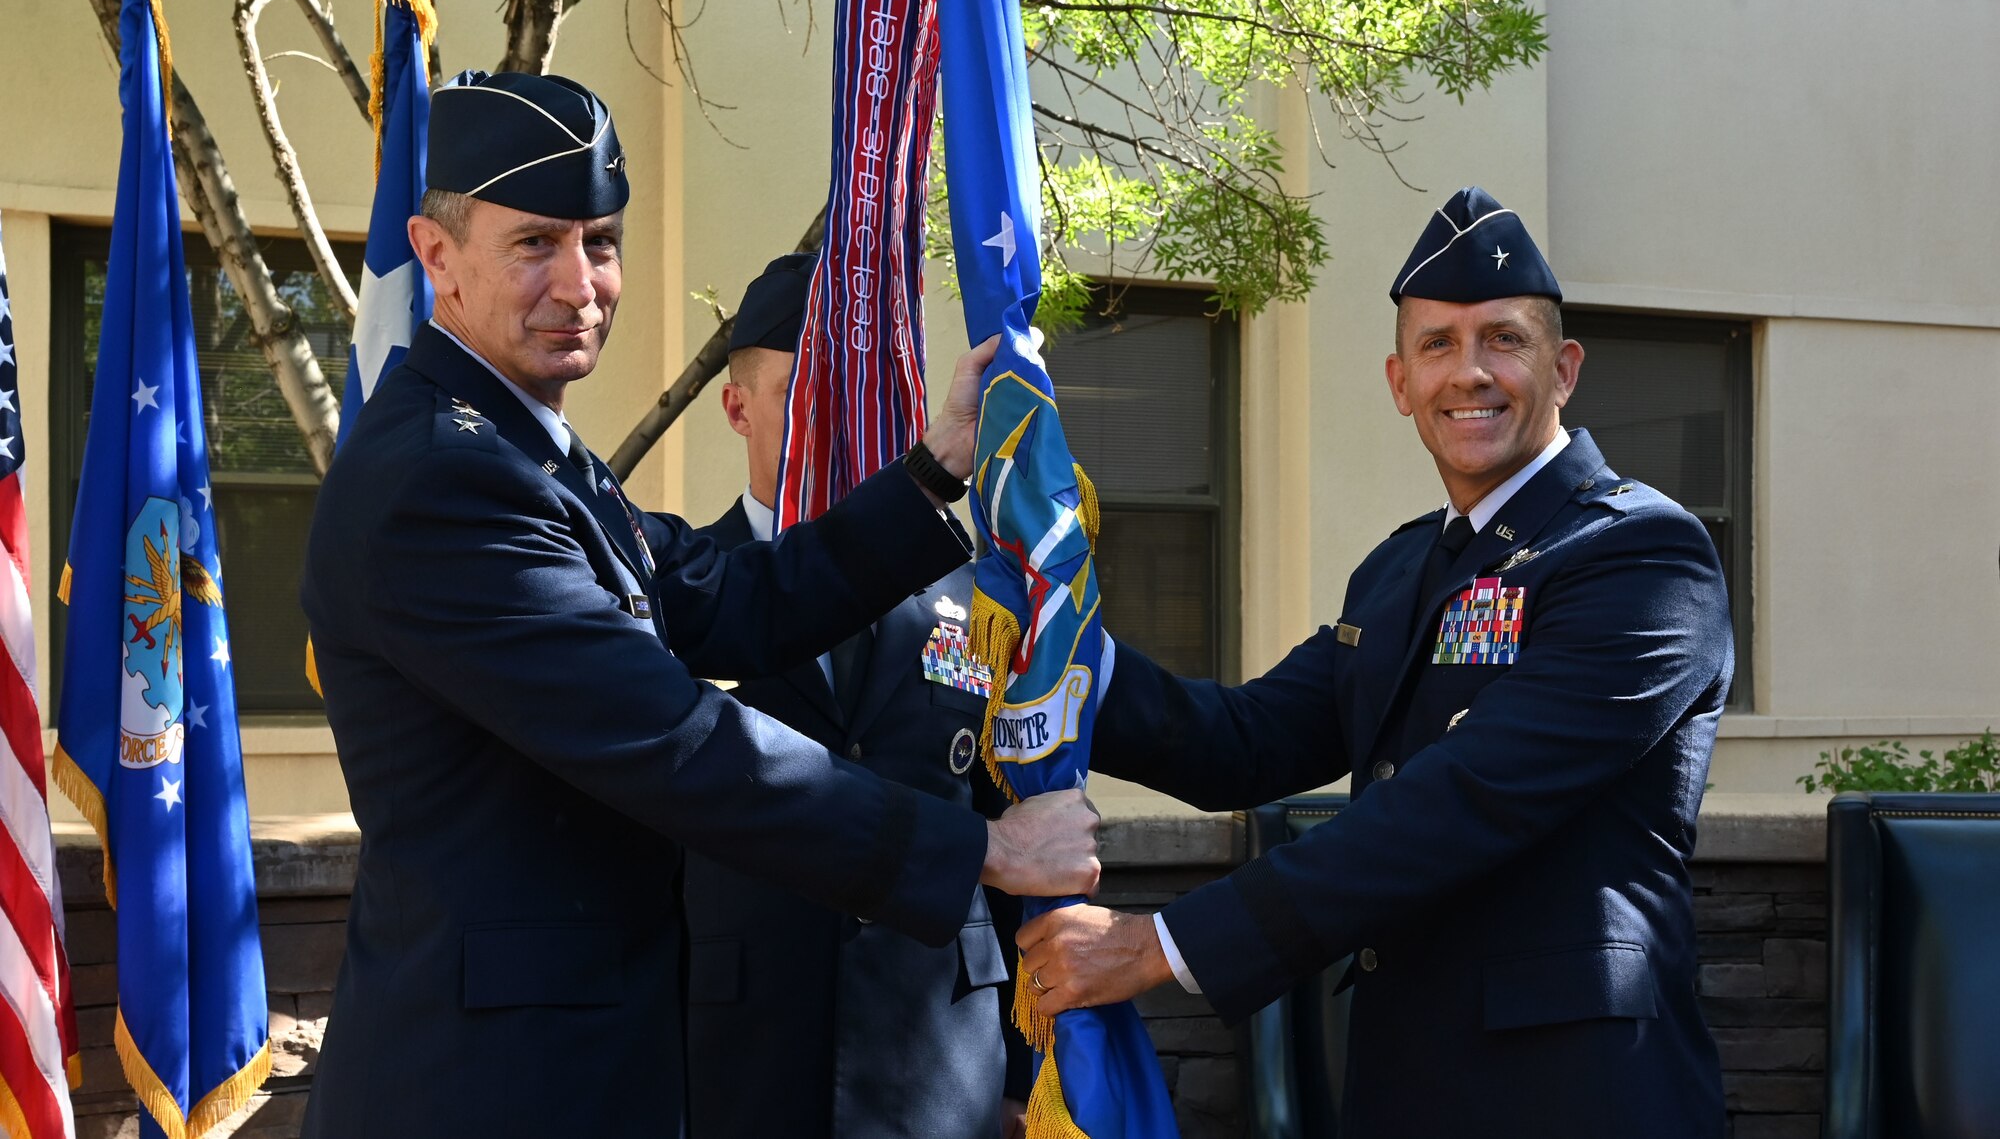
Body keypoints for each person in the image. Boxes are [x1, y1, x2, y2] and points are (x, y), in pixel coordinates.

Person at [299, 71, 1099, 1137]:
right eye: (535, 243)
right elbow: (675, 739)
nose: (581, 284)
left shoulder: (534, 456)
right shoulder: (441, 479)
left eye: (600, 240)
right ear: (436, 254)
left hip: (584, 1064)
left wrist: (940, 462)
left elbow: (739, 596)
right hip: (487, 1083)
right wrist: (981, 851)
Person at [1018, 187, 1733, 1137]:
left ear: (1564, 369)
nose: (1468, 372)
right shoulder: (1401, 570)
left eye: (1503, 340)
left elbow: (1463, 801)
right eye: (1437, 344)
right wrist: (1060, 652)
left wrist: (1166, 943)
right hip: (1406, 1082)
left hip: (1577, 1094)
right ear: (1400, 382)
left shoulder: (1642, 556)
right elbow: (1244, 741)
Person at [681, 252, 1033, 1138]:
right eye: (807, 390)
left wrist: (1030, 1072)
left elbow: (1017, 826)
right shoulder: (685, 593)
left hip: (943, 1062)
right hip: (737, 1057)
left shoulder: (973, 590)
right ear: (737, 407)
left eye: (859, 390)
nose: (837, 420)